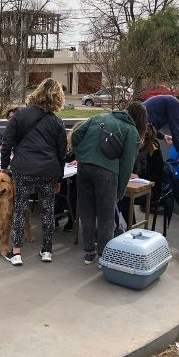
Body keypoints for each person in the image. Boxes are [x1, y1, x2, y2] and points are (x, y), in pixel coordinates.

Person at [0, 78, 67, 266]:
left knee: (20, 209)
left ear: (37, 92)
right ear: (57, 97)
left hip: (23, 169)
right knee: (47, 210)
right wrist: (58, 177)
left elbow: (7, 143)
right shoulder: (57, 122)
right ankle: (47, 251)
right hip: (48, 170)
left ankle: (16, 253)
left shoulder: (20, 115)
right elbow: (62, 152)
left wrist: (4, 165)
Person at [72, 102, 147, 264]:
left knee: (87, 211)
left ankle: (89, 252)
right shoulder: (131, 131)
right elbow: (127, 165)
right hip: (107, 173)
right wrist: (120, 192)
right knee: (106, 216)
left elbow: (76, 135)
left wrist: (81, 155)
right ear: (141, 120)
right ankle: (104, 256)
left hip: (84, 168)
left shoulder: (100, 117)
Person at [143, 93, 179, 164]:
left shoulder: (168, 101)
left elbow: (150, 127)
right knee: (155, 159)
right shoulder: (175, 103)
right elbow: (175, 129)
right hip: (142, 130)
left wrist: (163, 136)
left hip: (141, 128)